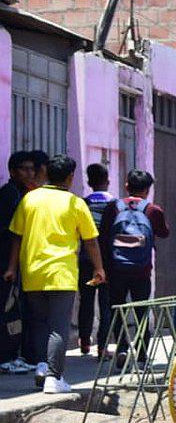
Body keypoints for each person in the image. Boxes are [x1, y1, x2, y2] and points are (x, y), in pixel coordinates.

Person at [5, 155, 107, 393]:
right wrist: (99, 268)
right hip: (61, 273)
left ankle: (42, 366)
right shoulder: (75, 203)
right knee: (58, 326)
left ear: (46, 173)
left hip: (32, 272)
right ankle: (54, 376)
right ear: (70, 177)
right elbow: (90, 241)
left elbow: (16, 237)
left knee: (39, 323)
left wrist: (11, 268)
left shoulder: (30, 199)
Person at [98, 169, 171, 362]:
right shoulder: (153, 210)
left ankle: (122, 348)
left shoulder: (113, 207)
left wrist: (104, 267)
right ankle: (142, 351)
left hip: (115, 268)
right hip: (142, 269)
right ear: (148, 189)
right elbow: (164, 232)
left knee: (117, 309)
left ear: (126, 186)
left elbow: (103, 237)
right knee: (141, 310)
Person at [0, 150, 43, 373]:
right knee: (6, 310)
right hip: (6, 262)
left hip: (15, 262)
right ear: (12, 172)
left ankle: (12, 354)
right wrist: (11, 266)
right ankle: (5, 357)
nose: (30, 174)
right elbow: (11, 233)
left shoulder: (23, 194)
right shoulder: (10, 194)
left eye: (32, 170)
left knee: (15, 311)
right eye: (24, 169)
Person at [76, 163, 112, 355]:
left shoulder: (82, 204)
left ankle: (84, 341)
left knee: (86, 300)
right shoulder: (114, 204)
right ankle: (103, 346)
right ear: (108, 181)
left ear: (89, 183)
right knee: (106, 303)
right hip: (106, 262)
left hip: (86, 260)